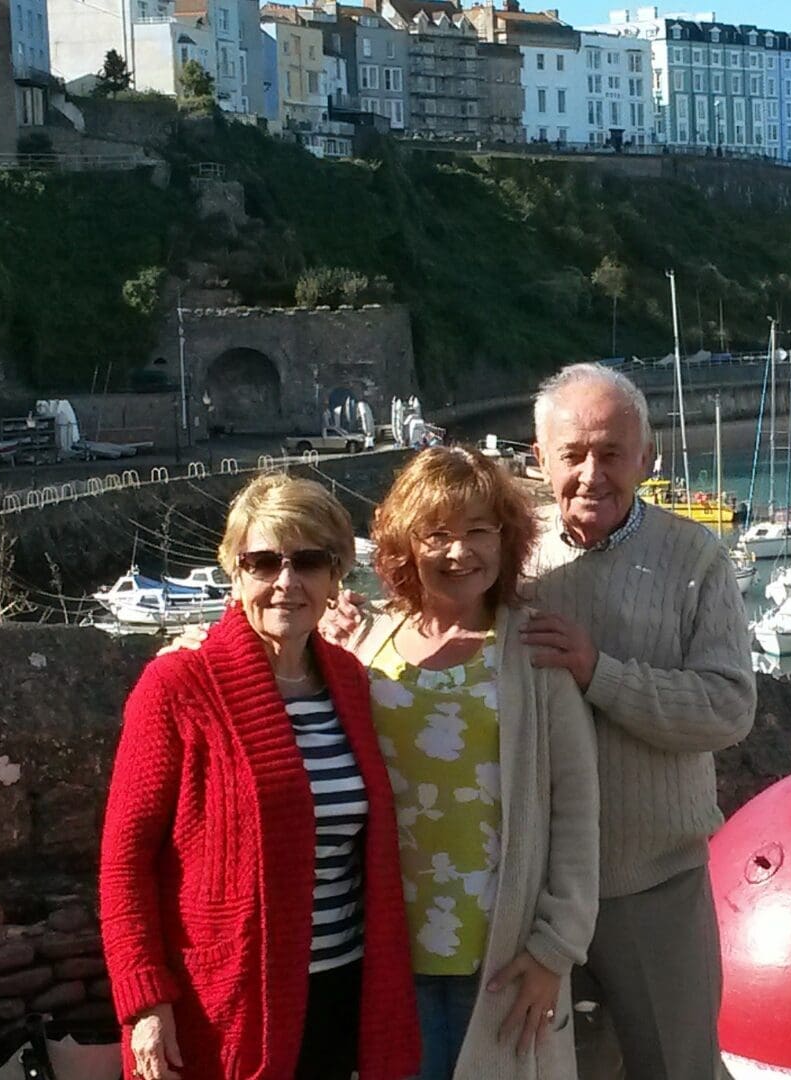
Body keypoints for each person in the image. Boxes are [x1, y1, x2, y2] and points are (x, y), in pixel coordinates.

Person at [100, 475, 419, 1080]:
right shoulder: (176, 687)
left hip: (340, 987)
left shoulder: (350, 682)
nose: (286, 582)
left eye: (308, 562)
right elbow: (125, 861)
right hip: (227, 1005)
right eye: (264, 562)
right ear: (235, 573)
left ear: (336, 577)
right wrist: (144, 1002)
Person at [519, 363, 756, 1080]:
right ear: (540, 459)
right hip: (534, 890)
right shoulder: (506, 553)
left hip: (652, 885)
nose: (592, 474)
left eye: (613, 453)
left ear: (647, 459)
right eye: (573, 454)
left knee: (677, 1070)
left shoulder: (696, 559)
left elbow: (728, 707)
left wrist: (602, 675)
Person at [351, 446, 599, 1079]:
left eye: (478, 531)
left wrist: (555, 951)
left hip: (503, 959)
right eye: (437, 534)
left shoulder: (533, 650)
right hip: (386, 955)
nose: (459, 552)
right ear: (406, 544)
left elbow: (576, 809)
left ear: (507, 539)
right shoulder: (365, 645)